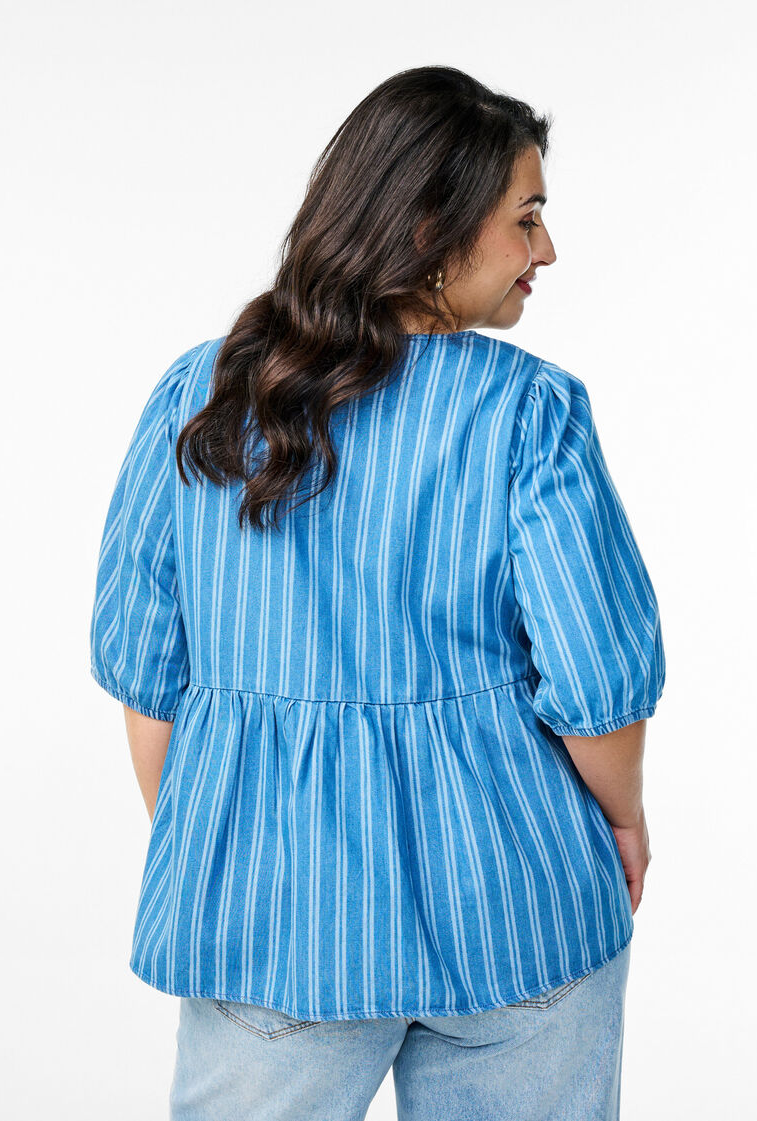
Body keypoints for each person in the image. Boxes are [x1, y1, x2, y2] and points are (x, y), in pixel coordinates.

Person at [89, 64, 666, 1121]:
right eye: (526, 217)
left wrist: (235, 848)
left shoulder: (201, 394)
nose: (545, 250)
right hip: (516, 899)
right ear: (434, 228)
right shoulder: (526, 413)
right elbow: (598, 684)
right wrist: (624, 821)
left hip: (272, 918)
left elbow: (145, 677)